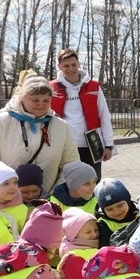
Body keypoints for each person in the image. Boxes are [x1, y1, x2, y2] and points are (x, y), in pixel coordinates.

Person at [0, 73, 79, 195]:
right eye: (35, 100)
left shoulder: (60, 126)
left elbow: (71, 163)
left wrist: (57, 193)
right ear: (22, 96)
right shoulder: (0, 122)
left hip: (46, 202)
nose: (41, 104)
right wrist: (4, 190)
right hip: (5, 203)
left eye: (46, 100)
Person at [51, 48, 115, 180]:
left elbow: (104, 116)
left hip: (91, 145)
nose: (70, 69)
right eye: (66, 66)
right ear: (59, 67)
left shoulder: (93, 86)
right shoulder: (52, 88)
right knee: (66, 183)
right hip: (65, 145)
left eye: (73, 64)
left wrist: (108, 145)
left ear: (79, 64)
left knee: (92, 182)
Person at [94, 178, 138, 245]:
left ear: (128, 201)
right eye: (109, 209)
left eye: (120, 205)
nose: (116, 211)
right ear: (103, 210)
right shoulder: (103, 224)